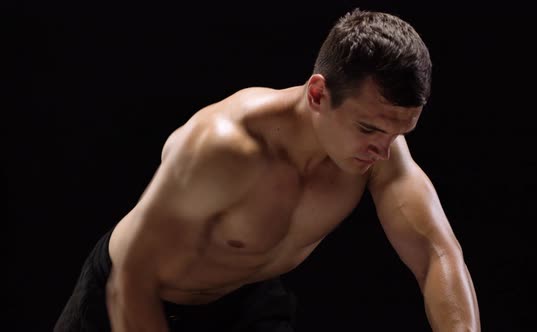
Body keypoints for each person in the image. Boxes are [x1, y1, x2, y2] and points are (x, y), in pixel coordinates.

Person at [55, 8, 480, 332]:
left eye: (399, 132)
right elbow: (133, 278)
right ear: (318, 94)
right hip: (129, 295)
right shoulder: (223, 146)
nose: (385, 150)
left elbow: (436, 254)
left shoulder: (380, 151)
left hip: (244, 300)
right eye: (368, 127)